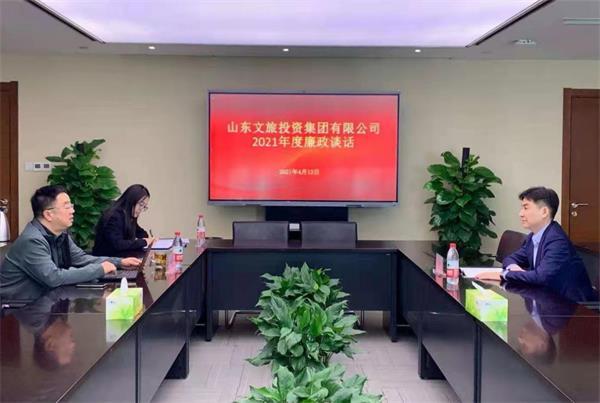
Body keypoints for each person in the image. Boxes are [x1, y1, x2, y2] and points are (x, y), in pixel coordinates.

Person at [0, 185, 141, 300]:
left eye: (71, 206)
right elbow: (53, 277)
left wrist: (119, 262)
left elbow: (81, 258)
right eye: (67, 207)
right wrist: (99, 269)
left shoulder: (61, 234)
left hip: (45, 300)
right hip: (18, 309)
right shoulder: (32, 240)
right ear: (48, 214)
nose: (73, 211)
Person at [476, 187, 595, 301]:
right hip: (544, 299)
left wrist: (505, 274)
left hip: (570, 307)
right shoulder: (533, 237)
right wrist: (513, 268)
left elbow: (541, 277)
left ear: (544, 212)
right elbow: (510, 259)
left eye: (526, 208)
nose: (521, 214)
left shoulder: (557, 241)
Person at [92, 184, 155, 256]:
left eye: (144, 207)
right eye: (141, 204)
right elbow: (118, 244)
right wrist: (144, 242)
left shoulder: (128, 214)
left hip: (119, 256)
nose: (141, 209)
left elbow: (139, 231)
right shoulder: (114, 216)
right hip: (106, 259)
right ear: (131, 200)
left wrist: (149, 239)